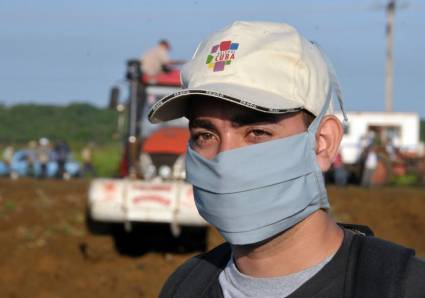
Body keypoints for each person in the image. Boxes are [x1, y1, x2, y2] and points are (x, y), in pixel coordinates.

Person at [149, 21, 425, 297]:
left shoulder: (403, 287)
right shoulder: (186, 286)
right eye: (205, 135)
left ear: (322, 143)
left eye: (257, 132)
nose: (225, 161)